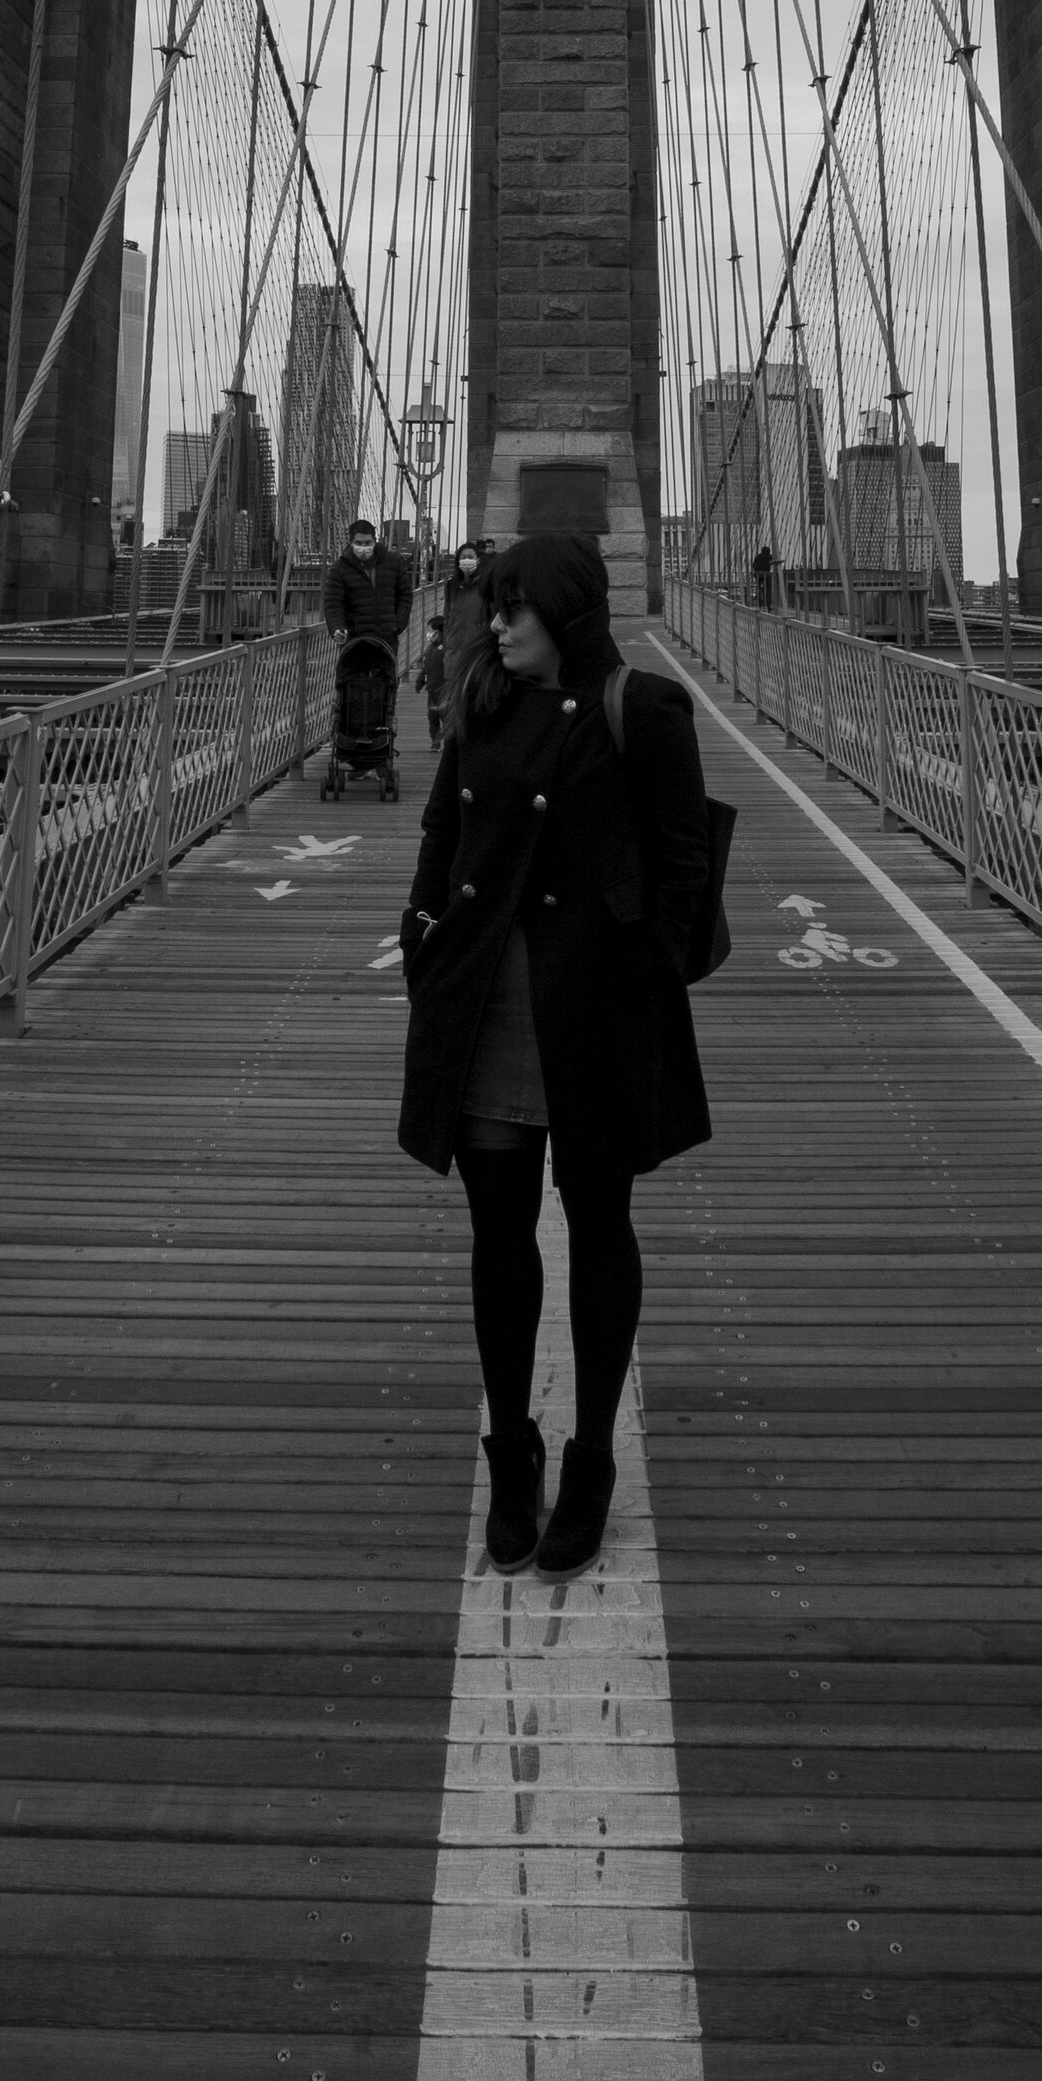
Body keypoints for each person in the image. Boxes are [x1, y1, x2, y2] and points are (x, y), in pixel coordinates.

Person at [397, 532, 711, 1578]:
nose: (495, 623)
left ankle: (587, 1465)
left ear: (565, 613)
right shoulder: (479, 701)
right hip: (487, 1003)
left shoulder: (645, 710)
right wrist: (423, 934)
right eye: (492, 605)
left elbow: (679, 867)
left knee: (598, 1223)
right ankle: (511, 1453)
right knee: (498, 1236)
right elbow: (443, 829)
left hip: (594, 1011)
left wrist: (646, 975)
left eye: (513, 607)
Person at [324, 515, 410, 648]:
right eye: (359, 543)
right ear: (351, 542)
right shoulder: (339, 568)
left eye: (368, 543)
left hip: (386, 639)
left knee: (386, 669)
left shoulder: (394, 563)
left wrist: (398, 624)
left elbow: (405, 594)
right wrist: (337, 628)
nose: (364, 547)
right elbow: (333, 604)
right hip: (353, 641)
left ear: (374, 541)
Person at [439, 536, 491, 705]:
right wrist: (446, 636)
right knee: (452, 696)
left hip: (476, 645)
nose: (467, 561)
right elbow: (447, 615)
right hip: (454, 646)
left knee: (474, 693)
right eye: (463, 557)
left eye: (470, 557)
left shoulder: (485, 586)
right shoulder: (451, 586)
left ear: (478, 560)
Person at [418, 611, 450, 746]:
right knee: (432, 717)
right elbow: (426, 668)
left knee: (445, 715)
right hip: (432, 690)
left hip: (444, 690)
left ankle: (450, 740)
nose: (428, 634)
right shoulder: (430, 650)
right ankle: (435, 740)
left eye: (430, 631)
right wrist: (420, 681)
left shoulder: (447, 650)